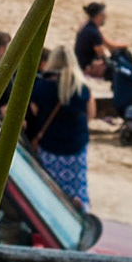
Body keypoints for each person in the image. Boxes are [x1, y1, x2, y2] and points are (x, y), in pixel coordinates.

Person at [25, 45, 94, 207]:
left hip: (49, 145)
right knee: (77, 191)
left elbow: (34, 112)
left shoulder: (40, 87)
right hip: (76, 145)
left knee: (50, 190)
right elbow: (90, 114)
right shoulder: (81, 88)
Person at [73, 1, 114, 78]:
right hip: (85, 66)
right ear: (99, 16)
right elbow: (101, 53)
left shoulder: (86, 25)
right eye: (104, 15)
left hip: (80, 61)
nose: (106, 17)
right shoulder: (93, 32)